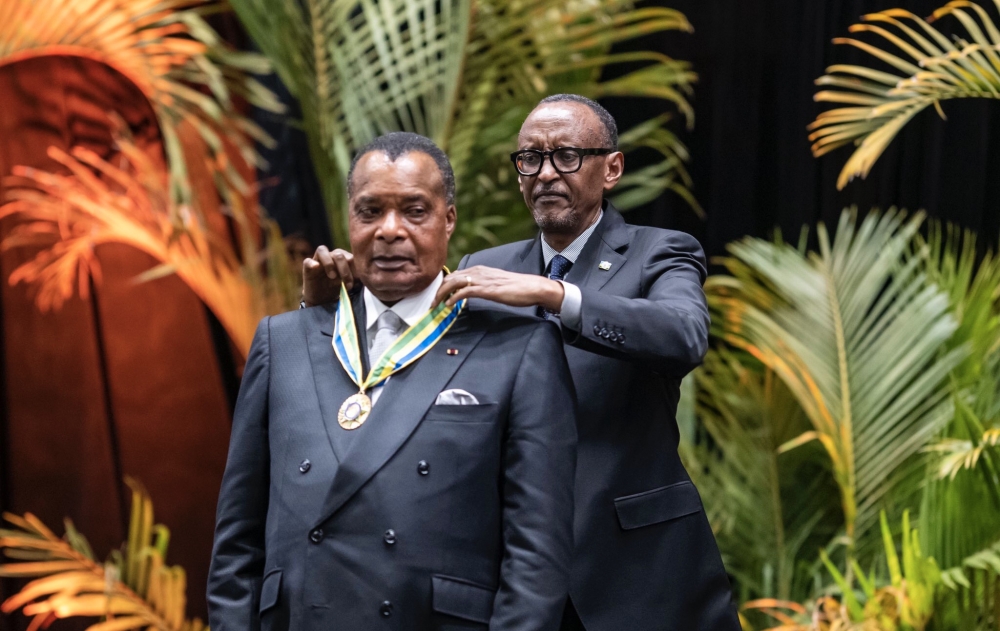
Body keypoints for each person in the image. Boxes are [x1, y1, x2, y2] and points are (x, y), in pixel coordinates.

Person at [302, 95, 741, 630]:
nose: (546, 173)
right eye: (530, 159)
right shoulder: (481, 269)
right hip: (513, 580)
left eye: (567, 156)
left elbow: (684, 334)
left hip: (639, 574)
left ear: (613, 168)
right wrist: (325, 311)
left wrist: (555, 294)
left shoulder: (659, 252)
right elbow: (407, 372)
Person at [208, 132, 577, 631]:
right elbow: (236, 541)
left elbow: (536, 558)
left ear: (449, 220)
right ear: (348, 220)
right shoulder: (283, 340)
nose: (389, 231)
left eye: (414, 211)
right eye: (370, 211)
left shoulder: (518, 348)